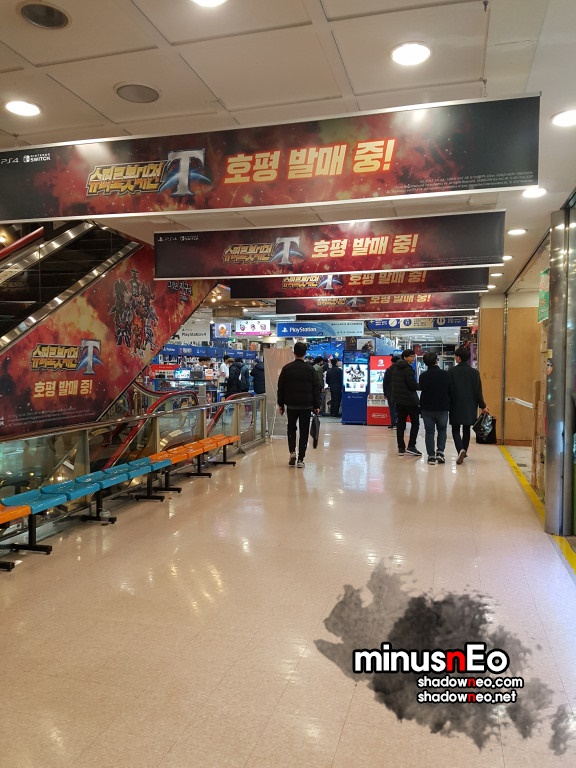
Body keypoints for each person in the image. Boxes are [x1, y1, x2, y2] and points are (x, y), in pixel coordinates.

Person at [277, 341, 322, 468]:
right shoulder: (310, 369)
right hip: (306, 406)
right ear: (305, 353)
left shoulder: (287, 368)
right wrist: (316, 405)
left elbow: (281, 388)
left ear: (294, 353)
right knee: (304, 431)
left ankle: (292, 451)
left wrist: (281, 404)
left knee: (291, 429)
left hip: (291, 405)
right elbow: (316, 388)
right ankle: (301, 459)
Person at [447, 345, 489, 465]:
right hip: (470, 404)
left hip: (455, 404)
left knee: (455, 428)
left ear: (459, 358)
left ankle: (460, 449)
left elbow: (448, 390)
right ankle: (464, 450)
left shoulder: (451, 372)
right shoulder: (474, 373)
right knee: (466, 428)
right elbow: (478, 391)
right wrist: (483, 406)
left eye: (456, 356)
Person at [418, 352, 450, 465]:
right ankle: (440, 452)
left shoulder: (423, 376)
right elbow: (450, 389)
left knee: (429, 432)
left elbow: (422, 388)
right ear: (437, 361)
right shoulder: (446, 375)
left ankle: (431, 456)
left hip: (427, 407)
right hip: (442, 407)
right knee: (442, 430)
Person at [390, 348, 421, 456]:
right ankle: (411, 446)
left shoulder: (394, 368)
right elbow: (412, 385)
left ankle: (401, 447)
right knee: (415, 423)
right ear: (405, 357)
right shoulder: (408, 369)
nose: (413, 358)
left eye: (413, 356)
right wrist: (421, 386)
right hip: (410, 400)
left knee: (401, 423)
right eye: (411, 356)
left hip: (399, 400)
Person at [383, 355, 400, 429]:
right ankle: (400, 424)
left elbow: (385, 382)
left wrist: (385, 392)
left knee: (392, 408)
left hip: (390, 392)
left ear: (392, 362)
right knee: (399, 408)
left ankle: (394, 423)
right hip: (400, 392)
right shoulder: (401, 370)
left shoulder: (389, 370)